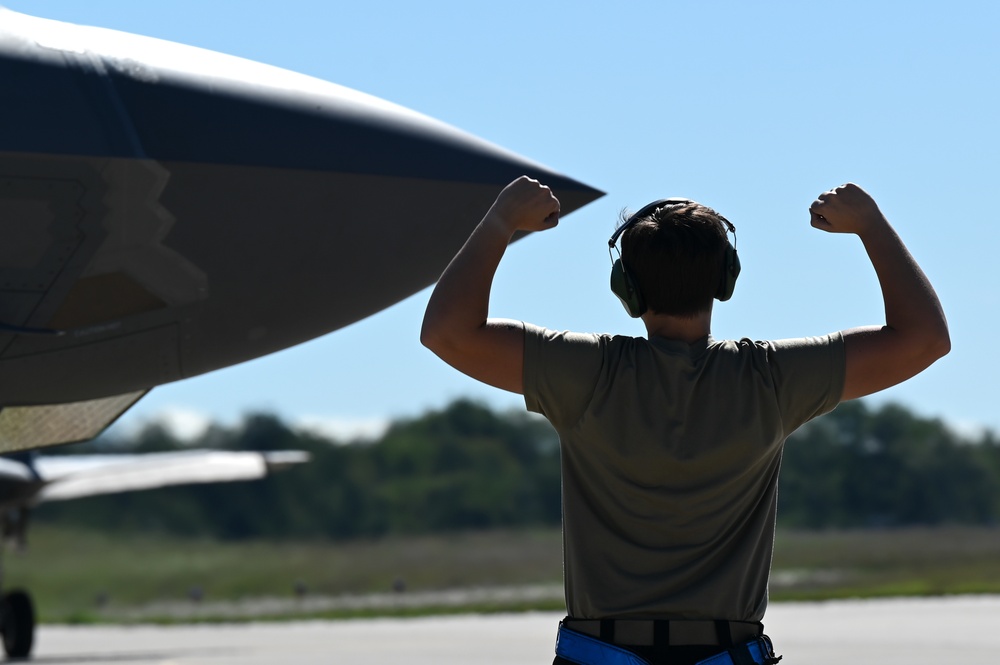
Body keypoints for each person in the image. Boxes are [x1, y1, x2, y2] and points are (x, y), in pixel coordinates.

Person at [420, 176, 949, 665]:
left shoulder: (587, 374)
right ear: (726, 279)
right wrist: (871, 225)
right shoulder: (768, 379)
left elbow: (448, 332)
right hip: (725, 652)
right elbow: (924, 339)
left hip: (602, 652)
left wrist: (499, 222)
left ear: (625, 288)